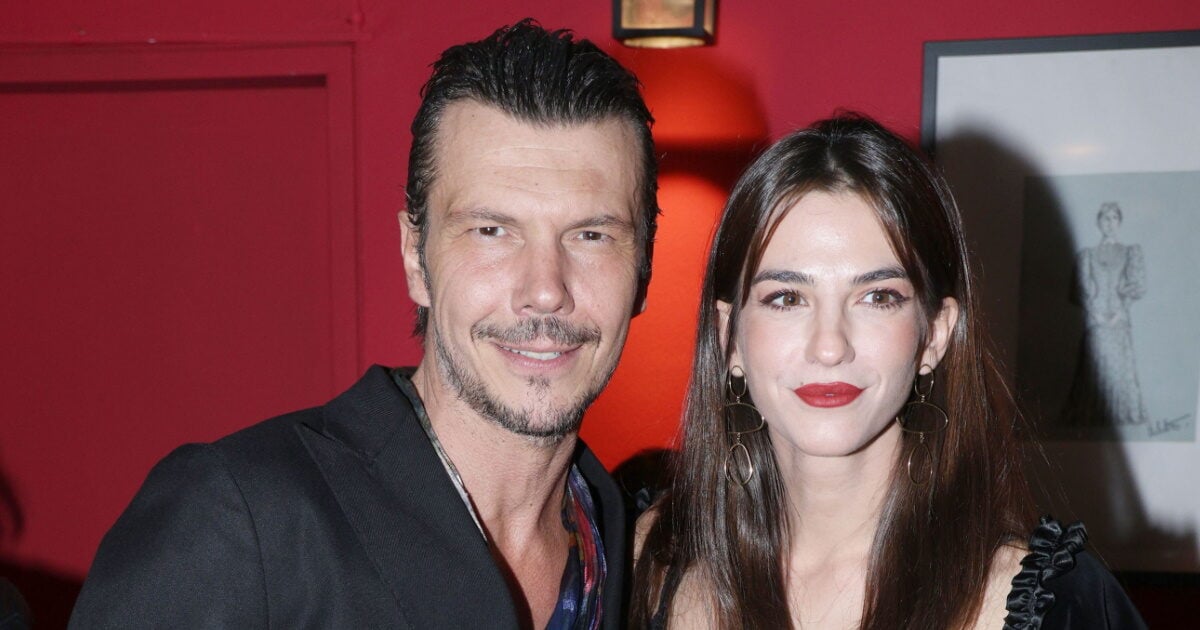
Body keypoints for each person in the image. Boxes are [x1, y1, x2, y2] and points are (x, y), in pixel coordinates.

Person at [70, 19, 658, 629]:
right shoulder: (242, 521)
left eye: (592, 235)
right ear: (415, 258)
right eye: (491, 231)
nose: (545, 290)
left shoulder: (633, 555)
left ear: (642, 271)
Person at [631, 116, 1146, 629]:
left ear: (935, 334)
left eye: (877, 297)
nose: (829, 346)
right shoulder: (642, 566)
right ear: (729, 336)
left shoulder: (1052, 603)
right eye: (786, 298)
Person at [1063, 201, 1149, 431]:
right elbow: (1078, 291)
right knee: (1095, 365)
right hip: (1096, 320)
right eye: (1105, 218)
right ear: (1098, 222)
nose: (1109, 223)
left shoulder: (1130, 253)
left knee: (1119, 367)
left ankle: (1122, 413)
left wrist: (1119, 313)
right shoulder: (1087, 255)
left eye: (1114, 218)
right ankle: (1090, 414)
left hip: (1120, 319)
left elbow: (1136, 286)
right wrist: (1096, 315)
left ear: (1119, 222)